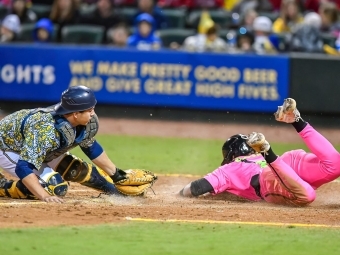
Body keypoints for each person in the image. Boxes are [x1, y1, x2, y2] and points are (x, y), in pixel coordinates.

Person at [179, 98, 340, 207]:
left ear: (231, 155)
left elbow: (198, 187)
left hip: (269, 179)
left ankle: (267, 151)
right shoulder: (254, 158)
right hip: (287, 161)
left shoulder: (230, 168)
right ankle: (296, 120)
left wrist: (180, 194)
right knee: (335, 165)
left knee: (307, 195)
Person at [0, 85, 139, 203]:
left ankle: (114, 191)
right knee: (53, 186)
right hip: (8, 148)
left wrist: (117, 176)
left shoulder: (76, 123)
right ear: (75, 114)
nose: (93, 114)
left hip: (30, 144)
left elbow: (91, 148)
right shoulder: (46, 130)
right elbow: (23, 167)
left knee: (75, 168)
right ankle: (3, 186)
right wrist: (44, 196)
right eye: (89, 110)